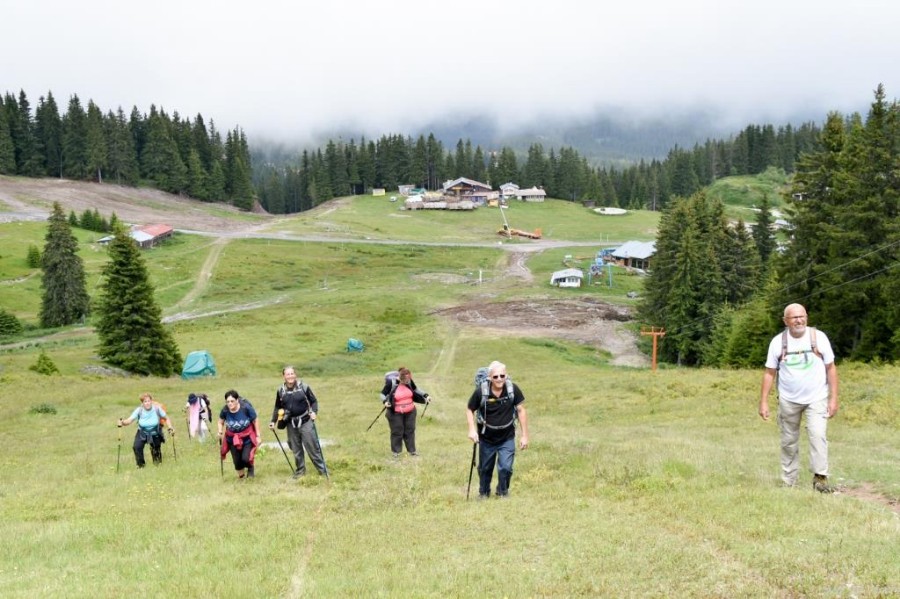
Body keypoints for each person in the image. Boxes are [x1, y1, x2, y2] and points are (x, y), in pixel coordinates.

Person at [759, 303, 840, 493]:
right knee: (788, 440)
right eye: (794, 317)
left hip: (817, 397)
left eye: (802, 316)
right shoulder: (778, 342)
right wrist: (763, 401)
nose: (799, 320)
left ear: (807, 317)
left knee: (818, 435)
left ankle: (820, 479)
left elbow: (831, 368)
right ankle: (789, 481)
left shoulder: (819, 338)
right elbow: (769, 373)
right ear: (785, 321)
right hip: (788, 399)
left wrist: (833, 398)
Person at [466, 361, 529, 498]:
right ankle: (483, 492)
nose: (499, 379)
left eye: (502, 375)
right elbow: (470, 409)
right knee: (485, 468)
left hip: (507, 437)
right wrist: (471, 429)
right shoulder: (481, 392)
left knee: (506, 468)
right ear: (489, 377)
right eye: (495, 376)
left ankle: (502, 491)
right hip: (486, 438)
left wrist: (524, 436)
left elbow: (521, 410)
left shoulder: (513, 389)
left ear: (506, 375)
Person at [269, 366, 327, 478]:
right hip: (290, 423)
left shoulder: (304, 387)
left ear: (295, 375)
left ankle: (322, 470)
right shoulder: (280, 391)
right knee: (295, 449)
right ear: (284, 376)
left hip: (305, 421)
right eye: (288, 374)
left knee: (312, 447)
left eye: (292, 374)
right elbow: (277, 407)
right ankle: (300, 471)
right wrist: (273, 421)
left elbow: (313, 401)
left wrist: (314, 412)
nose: (290, 376)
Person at [380, 367, 430, 458]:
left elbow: (416, 390)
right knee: (397, 431)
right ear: (400, 377)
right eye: (406, 380)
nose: (408, 382)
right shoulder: (391, 383)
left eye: (409, 379)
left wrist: (426, 395)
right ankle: (396, 452)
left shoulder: (409, 381)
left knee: (410, 430)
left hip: (410, 411)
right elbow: (382, 394)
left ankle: (412, 451)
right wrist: (385, 402)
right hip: (395, 412)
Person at [118, 393, 174, 468]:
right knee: (137, 447)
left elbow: (166, 418)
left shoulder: (157, 409)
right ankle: (141, 466)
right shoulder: (139, 410)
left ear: (151, 401)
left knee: (156, 451)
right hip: (142, 432)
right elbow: (129, 421)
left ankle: (158, 466)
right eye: (145, 401)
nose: (147, 403)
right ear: (142, 403)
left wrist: (170, 427)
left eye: (149, 401)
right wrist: (122, 422)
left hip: (155, 432)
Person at [218, 389, 261, 479]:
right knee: (237, 461)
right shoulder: (225, 410)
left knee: (245, 458)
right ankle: (241, 477)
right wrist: (220, 431)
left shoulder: (246, 408)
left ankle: (250, 468)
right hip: (232, 439)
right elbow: (220, 421)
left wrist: (258, 435)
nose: (230, 403)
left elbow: (255, 420)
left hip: (247, 437)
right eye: (228, 401)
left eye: (232, 401)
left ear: (237, 400)